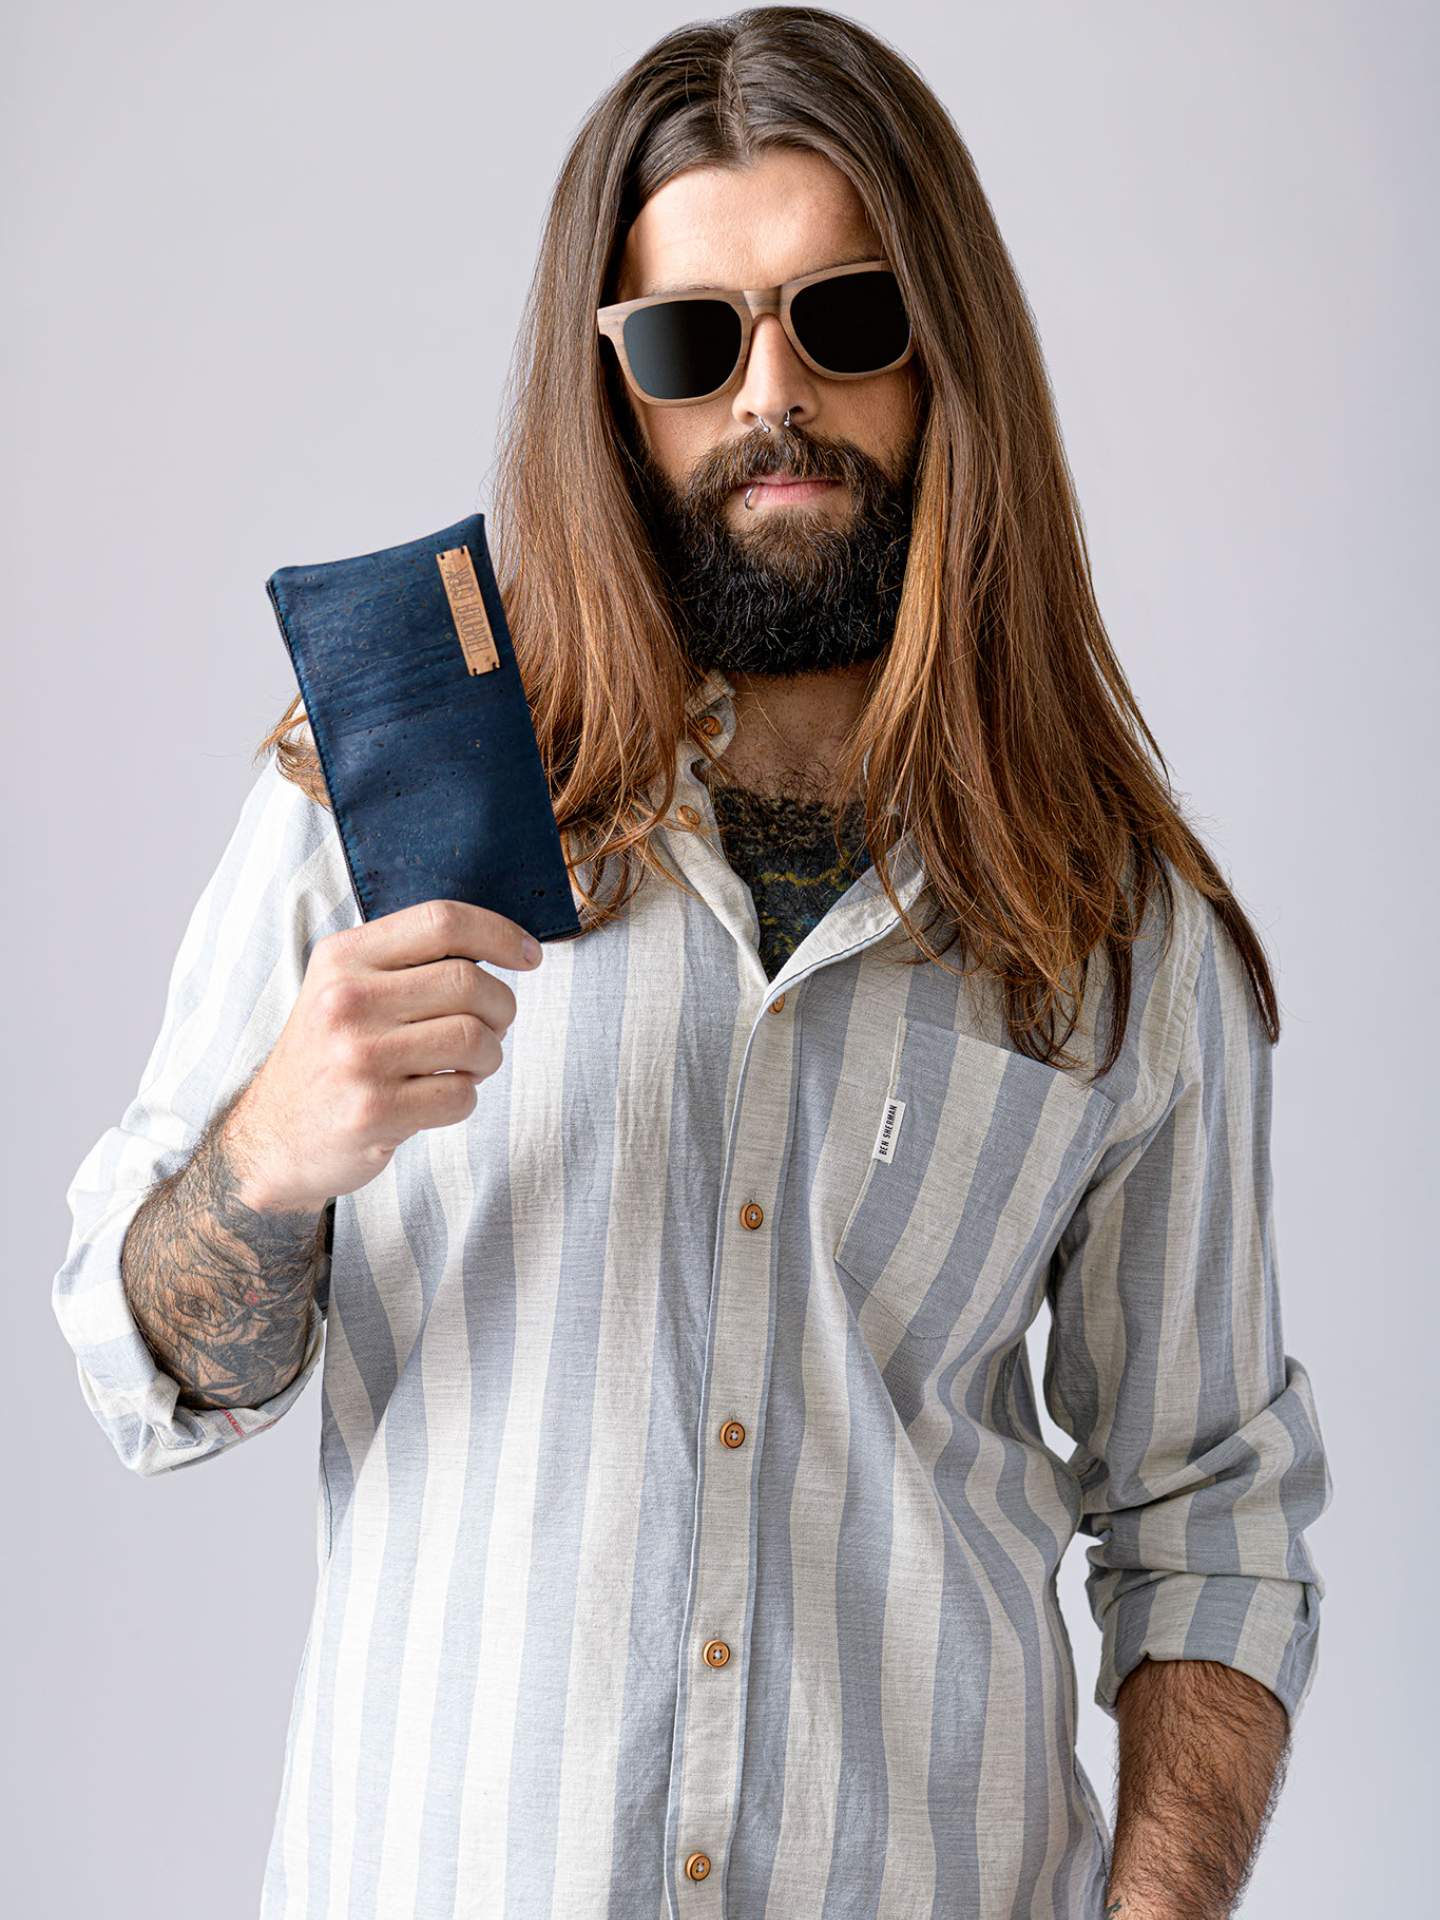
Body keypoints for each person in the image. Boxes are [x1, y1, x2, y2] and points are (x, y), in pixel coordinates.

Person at [53, 9, 1329, 1918]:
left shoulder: (1117, 925)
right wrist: (265, 1157)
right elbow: (136, 1364)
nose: (769, 397)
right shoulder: (376, 814)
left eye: (844, 318)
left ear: (943, 348)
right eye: (688, 340)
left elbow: (1210, 1515)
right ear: (614, 388)